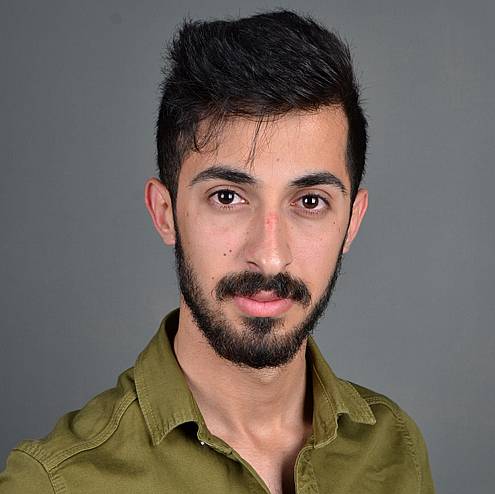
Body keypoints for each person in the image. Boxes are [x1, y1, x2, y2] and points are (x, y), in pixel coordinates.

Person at [0, 9, 435, 494]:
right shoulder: (55, 483)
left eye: (310, 202)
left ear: (352, 221)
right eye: (227, 197)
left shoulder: (395, 449)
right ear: (165, 212)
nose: (269, 257)